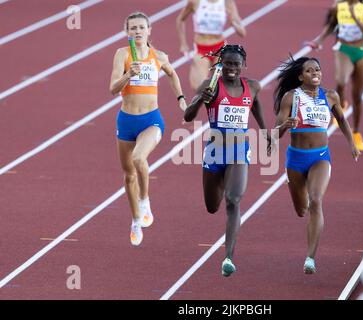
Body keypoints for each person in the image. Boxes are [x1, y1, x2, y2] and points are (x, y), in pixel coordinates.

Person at [184, 44, 270, 277]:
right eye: (228, 64)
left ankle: (228, 257)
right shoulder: (210, 85)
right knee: (213, 206)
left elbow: (255, 103)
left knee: (233, 201)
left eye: (236, 64)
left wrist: (264, 131)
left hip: (239, 150)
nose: (232, 68)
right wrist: (201, 99)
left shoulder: (252, 86)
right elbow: (187, 116)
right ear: (221, 65)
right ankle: (222, 181)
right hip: (214, 151)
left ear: (243, 65)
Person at [273, 56, 360, 274]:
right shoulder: (291, 97)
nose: (315, 74)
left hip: (320, 157)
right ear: (301, 76)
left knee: (316, 201)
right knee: (301, 210)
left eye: (318, 70)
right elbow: (274, 133)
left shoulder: (330, 96)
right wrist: (286, 125)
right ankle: (292, 182)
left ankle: (310, 258)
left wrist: (351, 143)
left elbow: (341, 120)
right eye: (310, 71)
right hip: (296, 158)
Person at [109, 12, 187, 246]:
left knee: (139, 159)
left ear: (149, 30)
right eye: (132, 28)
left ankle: (145, 201)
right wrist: (127, 76)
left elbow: (173, 75)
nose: (137, 31)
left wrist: (181, 97)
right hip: (126, 120)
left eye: (141, 27)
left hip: (151, 121)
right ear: (127, 32)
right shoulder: (122, 55)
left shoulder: (159, 56)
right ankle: (135, 221)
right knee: (128, 175)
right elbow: (113, 89)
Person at [306, 0, 363, 152]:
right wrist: (319, 40)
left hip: (362, 52)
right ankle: (341, 104)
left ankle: (356, 133)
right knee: (341, 81)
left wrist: (355, 18)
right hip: (343, 49)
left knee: (357, 96)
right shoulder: (338, 6)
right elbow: (331, 25)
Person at [176, 0, 246, 91]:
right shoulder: (195, 2)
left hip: (220, 49)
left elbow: (242, 32)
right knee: (198, 88)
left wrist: (234, 24)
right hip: (201, 49)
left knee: (219, 87)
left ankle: (216, 102)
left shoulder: (227, 2)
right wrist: (183, 44)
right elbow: (180, 19)